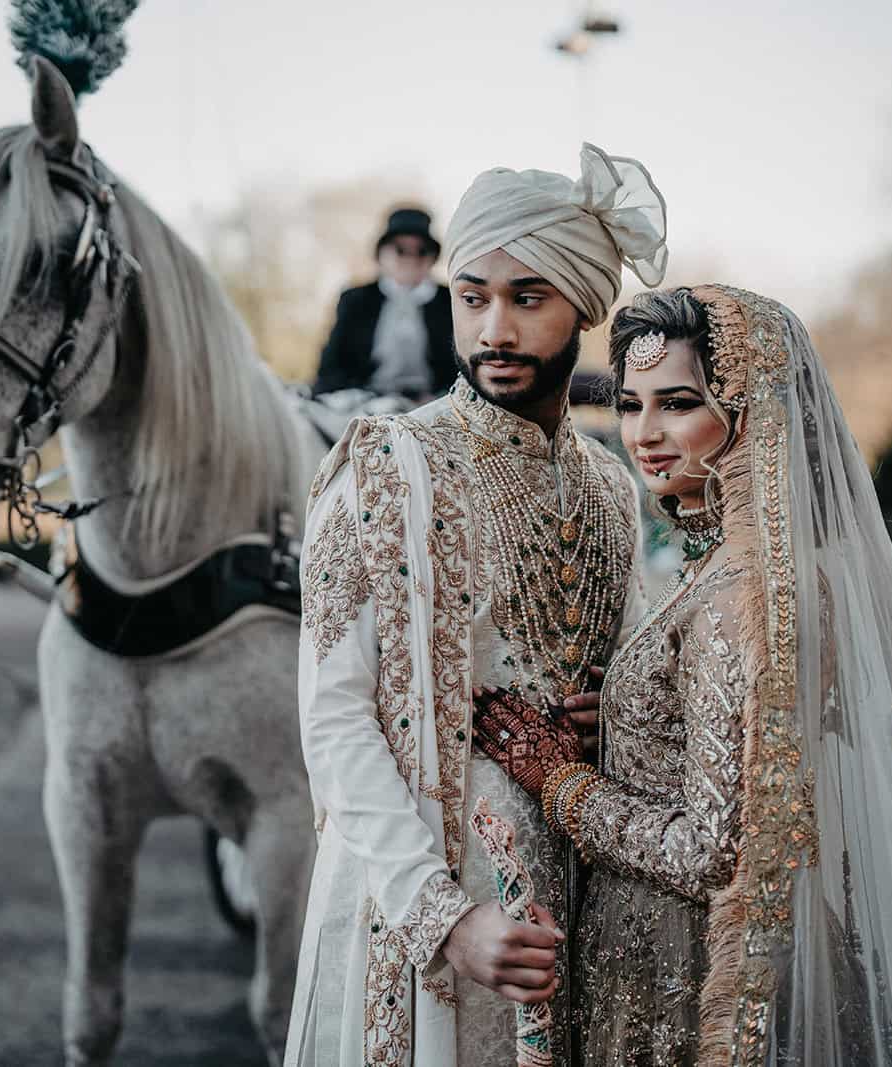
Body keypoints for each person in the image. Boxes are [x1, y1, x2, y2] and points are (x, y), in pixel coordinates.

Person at [471, 286, 892, 1065]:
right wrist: (629, 726)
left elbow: (713, 850)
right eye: (630, 405)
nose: (644, 433)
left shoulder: (743, 593)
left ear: (750, 413)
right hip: (667, 952)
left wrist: (560, 781)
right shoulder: (736, 569)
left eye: (678, 403)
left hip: (687, 976)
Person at [284, 145, 668, 1067]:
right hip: (428, 924)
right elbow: (333, 718)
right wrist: (445, 919)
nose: (495, 328)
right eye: (472, 297)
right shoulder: (386, 467)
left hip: (591, 909)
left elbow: (641, 681)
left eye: (528, 298)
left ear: (584, 307)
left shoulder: (612, 488)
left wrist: (617, 710)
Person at [311, 207, 457, 399]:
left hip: (437, 401)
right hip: (365, 400)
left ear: (432, 258)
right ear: (381, 254)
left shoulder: (451, 301)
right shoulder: (356, 300)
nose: (411, 258)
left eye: (422, 251)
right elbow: (331, 367)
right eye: (400, 250)